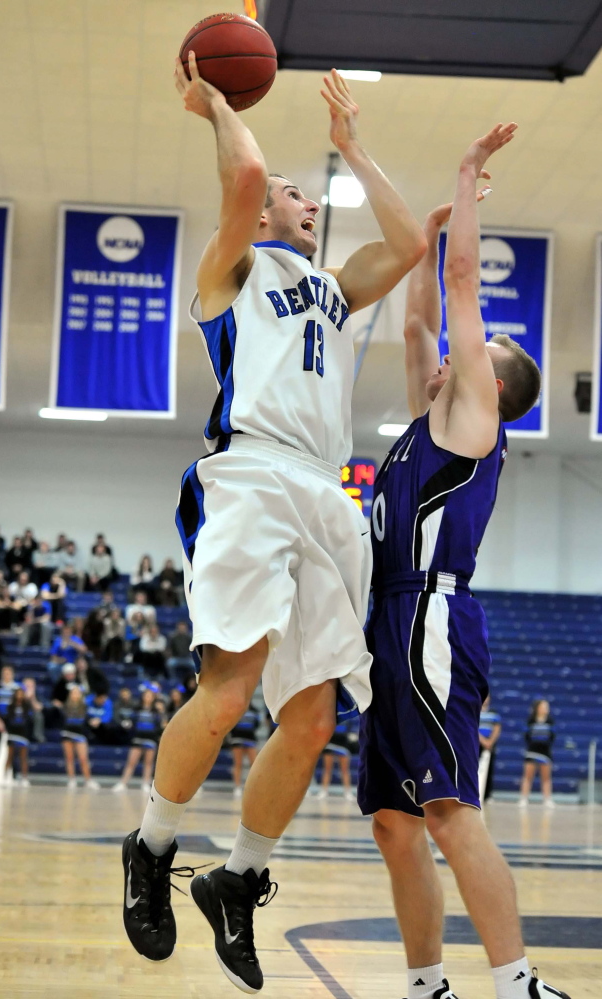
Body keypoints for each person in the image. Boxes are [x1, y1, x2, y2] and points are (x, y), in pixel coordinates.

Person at [121, 54, 426, 983]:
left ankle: (237, 878)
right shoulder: (231, 270)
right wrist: (215, 100)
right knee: (228, 688)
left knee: (311, 717)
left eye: (306, 193)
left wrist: (354, 149)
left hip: (322, 491)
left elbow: (408, 244)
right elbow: (247, 176)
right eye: (295, 192)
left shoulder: (333, 289)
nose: (302, 199)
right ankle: (152, 843)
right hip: (250, 475)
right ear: (258, 218)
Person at [357, 125, 570, 999]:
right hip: (389, 624)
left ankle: (518, 983)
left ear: (493, 383)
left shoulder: (472, 421)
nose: (457, 351)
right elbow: (417, 318)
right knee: (394, 825)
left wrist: (468, 174)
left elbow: (452, 295)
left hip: (431, 620)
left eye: (482, 352)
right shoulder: (426, 421)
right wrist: (428, 230)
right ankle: (424, 985)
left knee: (447, 809)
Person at [112, 689, 167, 792]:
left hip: (151, 739)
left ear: (153, 698)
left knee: (148, 763)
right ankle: (123, 782)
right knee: (131, 762)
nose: (148, 698)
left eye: (150, 696)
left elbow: (160, 725)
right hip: (137, 738)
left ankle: (146, 783)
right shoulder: (136, 709)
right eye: (146, 695)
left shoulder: (156, 711)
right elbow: (131, 722)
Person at [60, 687, 100, 790]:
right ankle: (72, 780)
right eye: (73, 693)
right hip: (67, 733)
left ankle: (88, 780)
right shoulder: (65, 706)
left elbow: (89, 719)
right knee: (69, 758)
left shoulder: (85, 707)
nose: (75, 695)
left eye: (77, 693)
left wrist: (93, 721)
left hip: (80, 735)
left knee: (83, 759)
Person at [519, 699, 555, 809]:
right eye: (544, 706)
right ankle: (524, 799)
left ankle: (547, 799)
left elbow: (552, 736)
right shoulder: (530, 721)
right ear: (537, 708)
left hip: (545, 752)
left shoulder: (550, 721)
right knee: (528, 776)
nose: (546, 709)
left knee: (546, 777)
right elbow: (526, 736)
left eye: (547, 707)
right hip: (532, 751)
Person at [316, 718, 354, 800]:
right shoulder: (329, 715)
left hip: (343, 744)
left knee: (345, 770)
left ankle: (348, 792)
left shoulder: (347, 717)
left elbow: (348, 729)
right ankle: (324, 791)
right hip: (330, 743)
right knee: (327, 768)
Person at [228, 702, 260, 799]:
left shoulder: (255, 711)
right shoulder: (235, 708)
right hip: (237, 739)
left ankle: (254, 787)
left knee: (254, 764)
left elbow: (257, 724)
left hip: (250, 739)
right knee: (238, 764)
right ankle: (237, 787)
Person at [5, 687, 33, 786]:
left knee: (23, 756)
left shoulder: (27, 706)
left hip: (23, 733)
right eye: (18, 694)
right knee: (10, 756)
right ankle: (5, 777)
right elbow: (8, 719)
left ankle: (24, 778)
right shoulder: (10, 706)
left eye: (21, 694)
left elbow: (30, 719)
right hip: (12, 733)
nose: (20, 696)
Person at [479, 695, 502, 802]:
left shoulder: (493, 713)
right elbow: (472, 726)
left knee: (489, 769)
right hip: (476, 743)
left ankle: (487, 794)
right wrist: (482, 740)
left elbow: (497, 727)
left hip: (489, 744)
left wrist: (490, 742)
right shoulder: (474, 710)